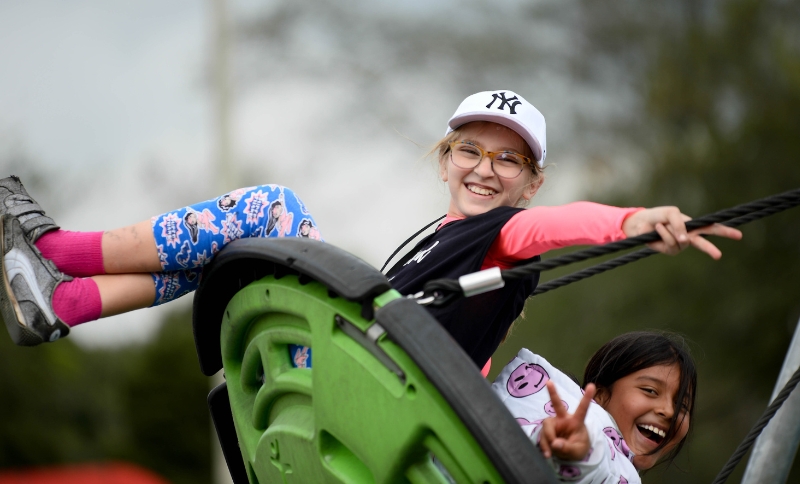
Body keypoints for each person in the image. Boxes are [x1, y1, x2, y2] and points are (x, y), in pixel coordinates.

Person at [0, 89, 741, 348]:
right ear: (446, 157)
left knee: (272, 209)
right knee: (240, 246)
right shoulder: (445, 247)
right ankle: (63, 303)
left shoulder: (505, 236)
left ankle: (60, 249)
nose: (486, 168)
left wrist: (636, 219)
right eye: (471, 151)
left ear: (530, 181)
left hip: (348, 371)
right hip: (342, 358)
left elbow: (555, 227)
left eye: (508, 161)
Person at [493, 331, 696, 483]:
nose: (669, 411)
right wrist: (577, 451)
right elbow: (586, 466)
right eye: (650, 391)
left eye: (682, 405)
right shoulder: (596, 450)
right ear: (600, 395)